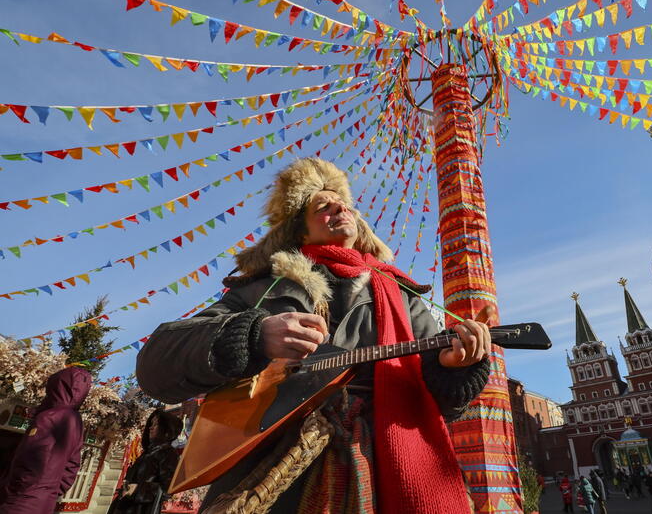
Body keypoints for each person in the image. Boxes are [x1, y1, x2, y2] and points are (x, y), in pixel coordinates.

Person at [137, 158, 493, 514]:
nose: (340, 206)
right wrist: (253, 335)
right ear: (300, 231)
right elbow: (156, 365)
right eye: (323, 206)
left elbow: (437, 409)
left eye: (345, 203)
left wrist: (455, 369)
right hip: (266, 470)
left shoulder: (403, 296)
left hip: (382, 468)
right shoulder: (263, 288)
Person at [0, 367, 92, 514]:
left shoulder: (49, 417)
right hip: (44, 503)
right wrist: (49, 492)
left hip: (20, 501)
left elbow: (30, 459)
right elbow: (71, 468)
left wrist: (11, 490)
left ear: (56, 387)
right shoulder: (77, 421)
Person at [107, 409, 184, 514]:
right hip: (123, 507)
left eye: (155, 425)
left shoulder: (168, 454)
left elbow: (168, 488)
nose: (150, 428)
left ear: (166, 430)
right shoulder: (148, 452)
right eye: (151, 424)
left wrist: (138, 490)